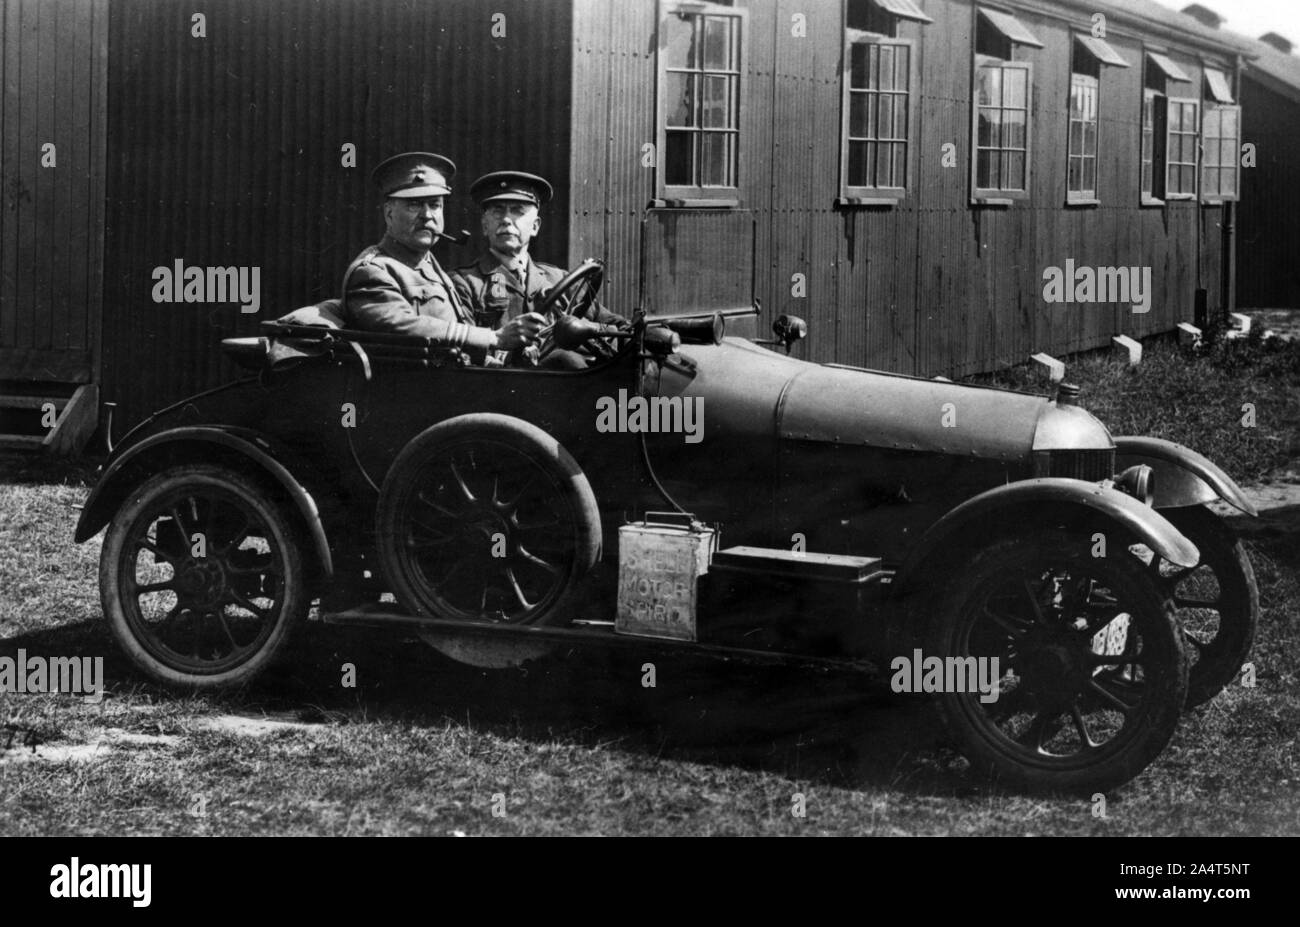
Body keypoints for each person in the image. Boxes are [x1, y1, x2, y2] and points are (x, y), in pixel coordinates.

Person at [340, 153, 544, 359]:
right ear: (389, 213)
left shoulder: (429, 267)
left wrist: (494, 360)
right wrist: (493, 338)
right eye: (414, 204)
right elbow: (401, 327)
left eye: (435, 205)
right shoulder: (373, 271)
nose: (427, 215)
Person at [454, 171, 622, 367]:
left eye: (517, 210)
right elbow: (463, 351)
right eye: (498, 210)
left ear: (535, 226)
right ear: (484, 225)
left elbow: (615, 325)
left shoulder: (560, 279)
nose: (506, 219)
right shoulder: (464, 283)